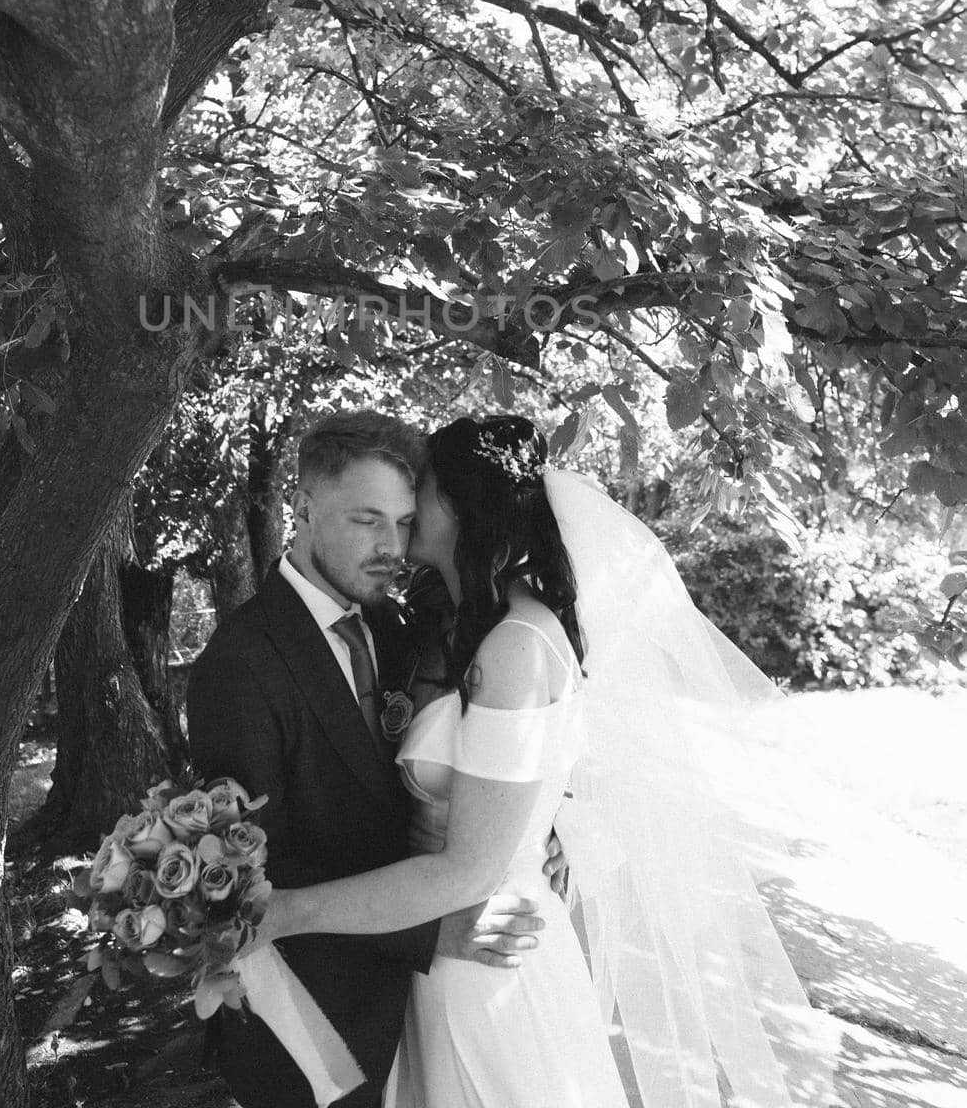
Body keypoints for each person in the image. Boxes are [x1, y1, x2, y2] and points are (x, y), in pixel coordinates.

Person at [255, 414, 831, 1108]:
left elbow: (470, 863)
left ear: (465, 506)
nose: (406, 516)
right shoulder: (439, 622)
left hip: (491, 965)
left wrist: (285, 912)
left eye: (422, 495)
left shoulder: (517, 647)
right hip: (426, 964)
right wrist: (558, 815)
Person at [186, 411, 554, 1108]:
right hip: (315, 1019)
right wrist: (431, 928)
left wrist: (539, 829)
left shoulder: (402, 627)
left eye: (405, 521)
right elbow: (250, 874)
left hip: (423, 1009)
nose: (392, 547)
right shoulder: (239, 665)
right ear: (300, 508)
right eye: (366, 521)